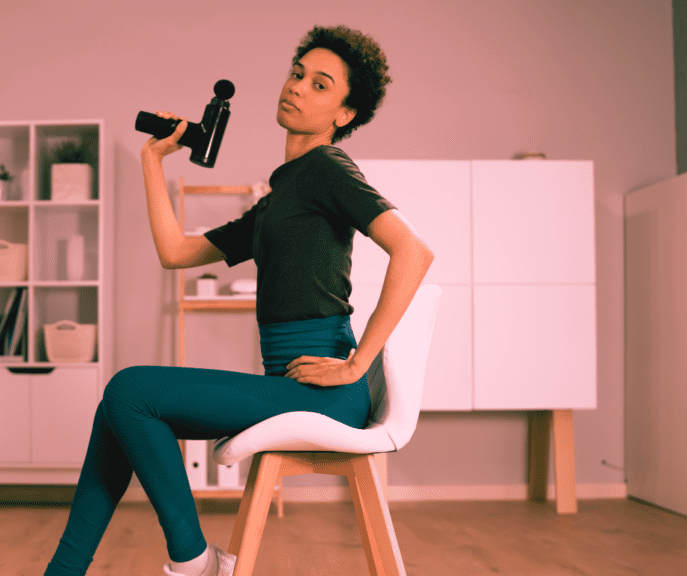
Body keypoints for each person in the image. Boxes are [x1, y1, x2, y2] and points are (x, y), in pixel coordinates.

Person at [43, 24, 433, 576]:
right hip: (291, 388)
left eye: (320, 85)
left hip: (325, 396)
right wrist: (153, 162)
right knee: (118, 407)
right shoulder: (281, 196)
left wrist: (357, 364)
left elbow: (413, 252)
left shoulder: (327, 168)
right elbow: (176, 252)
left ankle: (196, 562)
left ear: (343, 114)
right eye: (297, 74)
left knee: (129, 390)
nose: (297, 87)